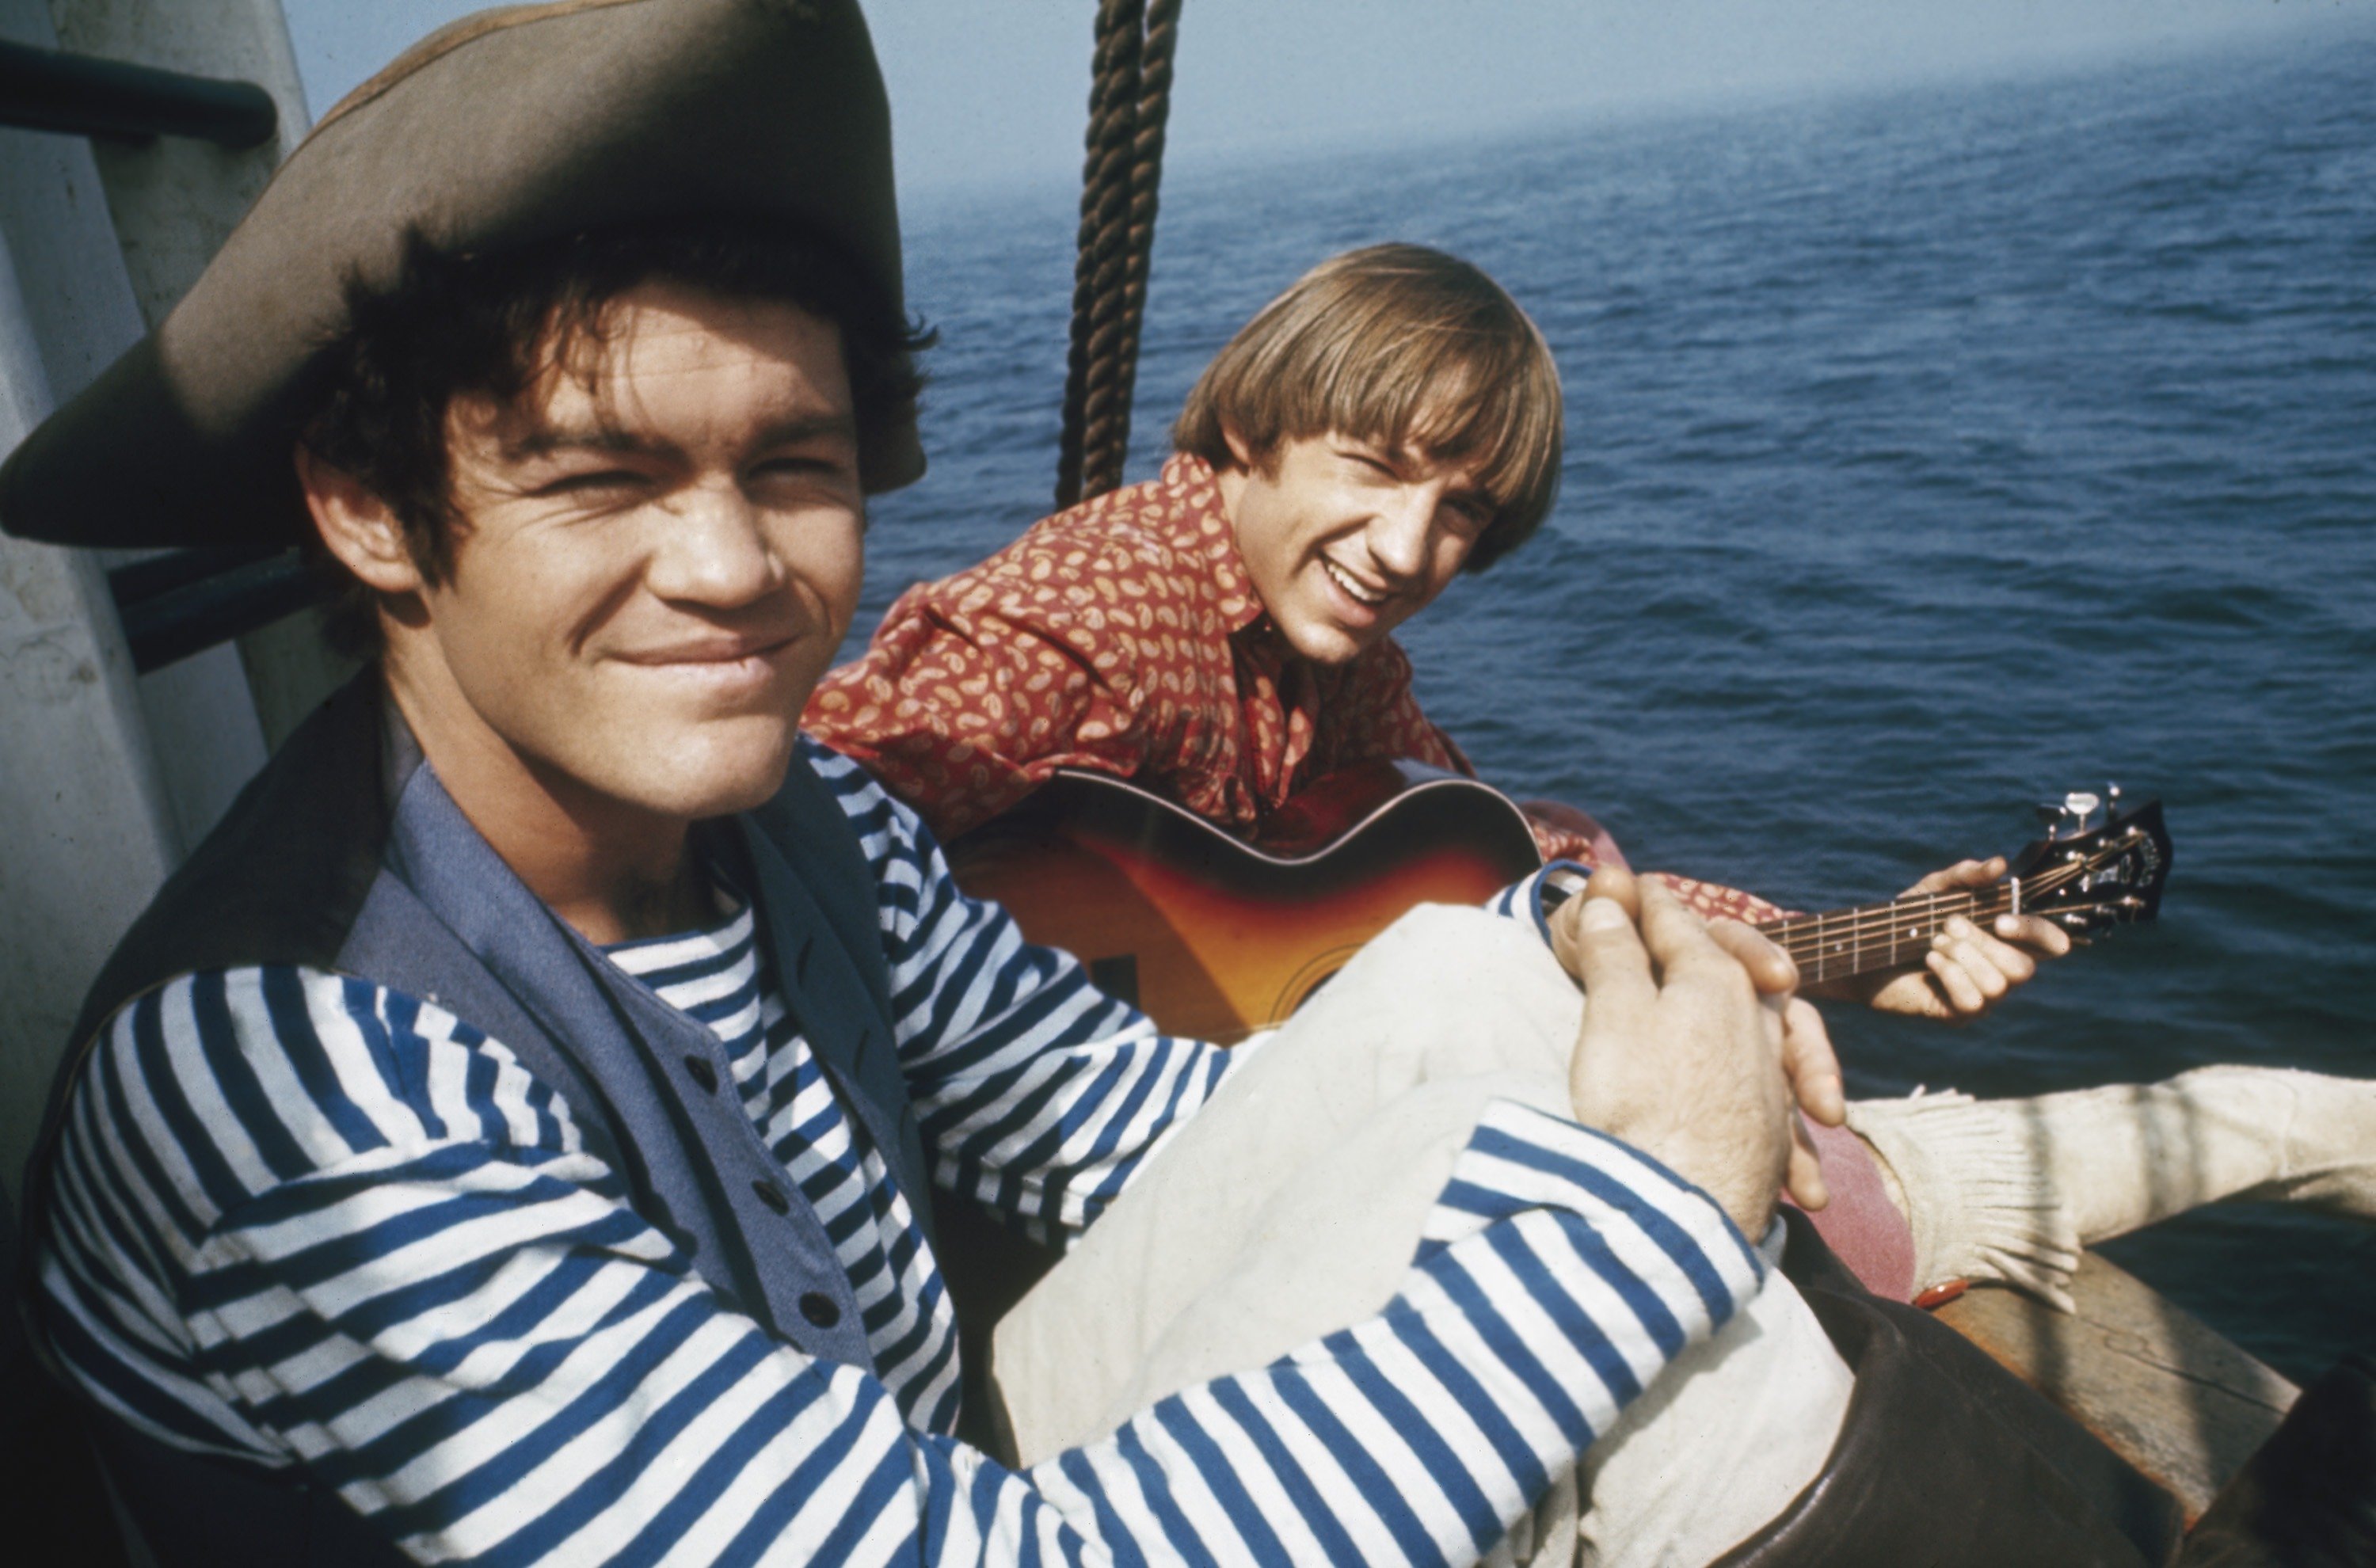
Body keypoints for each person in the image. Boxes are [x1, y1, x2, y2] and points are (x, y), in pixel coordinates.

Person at [3, 5, 2180, 1566]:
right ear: (371, 512)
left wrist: (1608, 960)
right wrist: (1655, 1209)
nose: (735, 569)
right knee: (1695, 1365)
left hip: (929, 1443)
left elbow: (1145, 1117)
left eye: (795, 465)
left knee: (1468, 989)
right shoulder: (306, 1072)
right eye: (603, 478)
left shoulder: (795, 826)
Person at [805, 242, 2376, 1314]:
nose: (1408, 551)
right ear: (1248, 431)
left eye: (1464, 514)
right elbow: (805, 803)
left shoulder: (1334, 660)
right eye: (1375, 467)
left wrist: (1863, 947)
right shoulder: (1110, 605)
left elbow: (1522, 875)